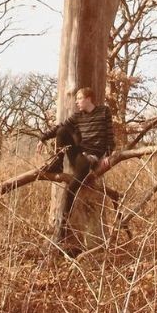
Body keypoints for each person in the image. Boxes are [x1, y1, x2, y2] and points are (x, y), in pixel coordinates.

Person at [36, 87, 114, 238]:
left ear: (89, 98)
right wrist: (43, 138)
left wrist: (108, 155)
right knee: (62, 131)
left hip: (92, 156)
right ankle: (58, 162)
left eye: (79, 98)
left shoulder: (104, 112)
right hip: (79, 153)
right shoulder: (78, 116)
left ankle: (62, 229)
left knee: (71, 187)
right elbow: (60, 127)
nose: (77, 102)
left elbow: (109, 135)